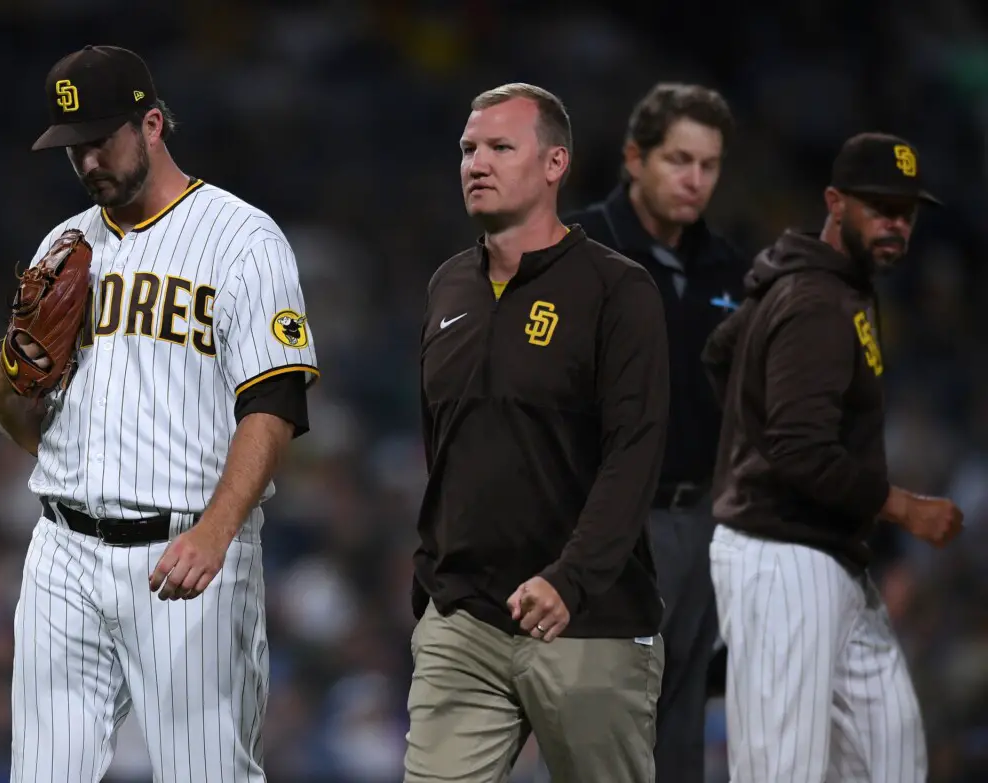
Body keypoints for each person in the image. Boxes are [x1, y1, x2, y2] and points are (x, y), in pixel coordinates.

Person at [0, 45, 320, 783]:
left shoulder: (242, 237)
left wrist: (216, 529)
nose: (87, 161)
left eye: (102, 138)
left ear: (154, 124)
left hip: (184, 551)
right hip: (62, 552)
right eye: (73, 147)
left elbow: (274, 402)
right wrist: (14, 379)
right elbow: (13, 408)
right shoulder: (65, 245)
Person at [405, 82, 670, 783]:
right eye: (467, 149)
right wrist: (431, 586)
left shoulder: (618, 289)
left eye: (499, 147)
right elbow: (444, 446)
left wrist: (571, 578)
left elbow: (635, 454)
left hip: (588, 622)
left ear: (555, 164)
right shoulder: (447, 287)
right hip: (463, 620)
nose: (475, 164)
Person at [702, 132, 963, 782]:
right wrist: (905, 508)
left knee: (890, 755)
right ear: (835, 202)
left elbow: (719, 354)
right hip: (781, 556)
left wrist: (747, 435)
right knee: (781, 770)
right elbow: (798, 446)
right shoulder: (816, 301)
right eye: (879, 207)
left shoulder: (823, 285)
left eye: (905, 211)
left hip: (828, 555)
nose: (895, 223)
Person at [557, 82, 746, 783]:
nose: (694, 179)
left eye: (709, 164)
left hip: (702, 519)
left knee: (682, 723)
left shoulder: (729, 266)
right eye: (677, 159)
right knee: (598, 725)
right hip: (608, 523)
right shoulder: (575, 246)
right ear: (635, 158)